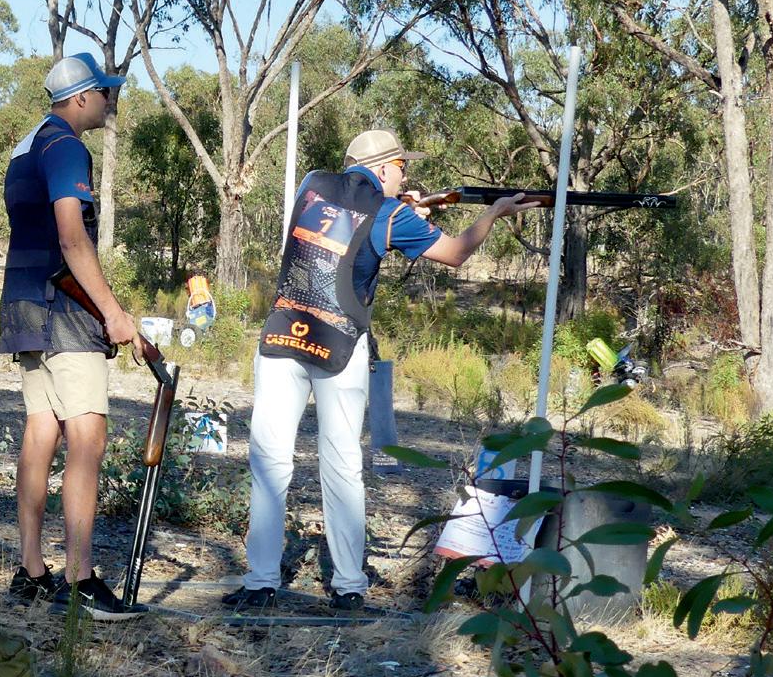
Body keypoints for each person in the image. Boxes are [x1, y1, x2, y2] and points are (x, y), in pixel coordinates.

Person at [222, 129, 543, 612]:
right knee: (341, 465)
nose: (406, 177)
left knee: (269, 464)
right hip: (339, 344)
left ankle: (259, 582)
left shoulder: (312, 183)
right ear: (383, 167)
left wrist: (405, 207)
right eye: (401, 168)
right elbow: (456, 253)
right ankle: (349, 586)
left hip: (282, 336)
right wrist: (492, 214)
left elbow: (345, 218)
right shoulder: (390, 213)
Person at [0, 52, 145, 620]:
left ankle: (32, 569)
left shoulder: (26, 146)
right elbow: (72, 237)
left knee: (42, 428)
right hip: (63, 308)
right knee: (88, 437)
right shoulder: (65, 146)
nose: (110, 100)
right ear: (81, 97)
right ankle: (80, 580)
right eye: (104, 92)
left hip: (24, 303)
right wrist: (113, 312)